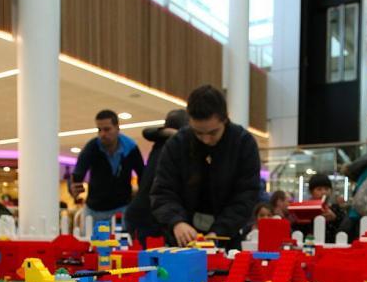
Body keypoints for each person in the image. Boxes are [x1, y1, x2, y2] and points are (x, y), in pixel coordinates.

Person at [150, 85, 261, 247]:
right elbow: (162, 191)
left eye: (213, 133)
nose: (206, 140)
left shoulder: (243, 144)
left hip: (227, 238)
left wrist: (219, 232)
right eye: (198, 133)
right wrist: (176, 222)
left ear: (226, 118)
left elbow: (245, 195)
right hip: (182, 239)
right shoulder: (177, 144)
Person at [123, 108, 189, 245]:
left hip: (142, 212)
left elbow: (148, 132)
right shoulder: (174, 148)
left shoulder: (160, 141)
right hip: (150, 214)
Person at [71, 109, 145, 226]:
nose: (102, 134)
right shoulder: (92, 147)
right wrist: (73, 188)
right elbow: (77, 172)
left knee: (123, 243)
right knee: (89, 243)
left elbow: (143, 175)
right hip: (94, 210)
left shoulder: (131, 148)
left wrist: (141, 202)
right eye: (99, 130)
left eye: (107, 129)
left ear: (117, 128)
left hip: (122, 208)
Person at [298, 173, 345, 243]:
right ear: (311, 192)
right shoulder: (306, 208)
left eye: (326, 189)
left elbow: (344, 229)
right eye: (319, 189)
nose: (324, 192)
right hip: (310, 246)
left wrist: (335, 218)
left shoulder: (336, 209)